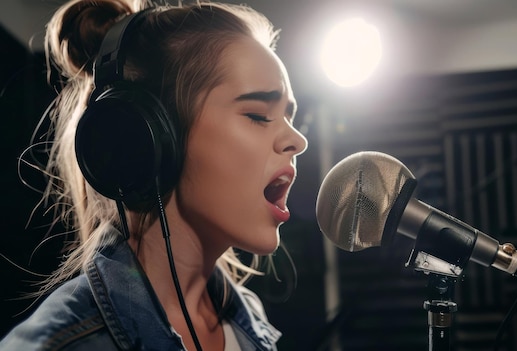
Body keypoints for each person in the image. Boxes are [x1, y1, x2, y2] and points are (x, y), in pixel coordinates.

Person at [0, 0, 307, 350]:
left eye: (290, 117)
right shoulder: (60, 343)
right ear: (150, 139)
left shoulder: (250, 322)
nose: (297, 140)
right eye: (258, 114)